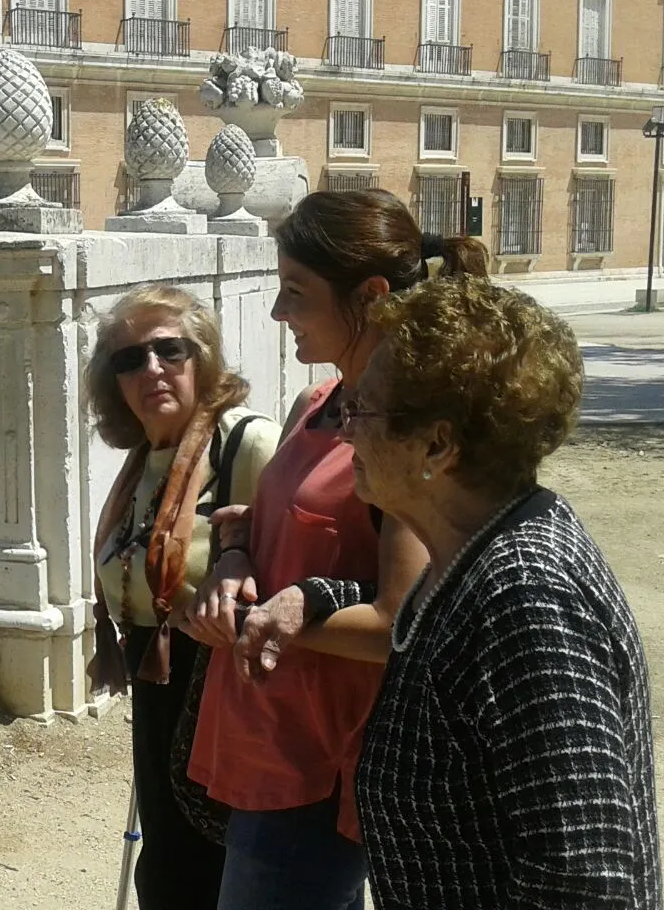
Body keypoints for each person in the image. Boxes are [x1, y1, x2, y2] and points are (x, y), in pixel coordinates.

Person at [183, 190, 486, 910]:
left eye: (297, 291)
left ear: (372, 295)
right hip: (265, 739)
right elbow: (264, 529)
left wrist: (277, 618)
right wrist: (234, 558)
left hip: (326, 764)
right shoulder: (316, 404)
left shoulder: (406, 431)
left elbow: (400, 625)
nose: (277, 312)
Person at [315, 275, 659, 909]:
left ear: (437, 446)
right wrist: (309, 599)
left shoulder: (526, 597)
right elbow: (426, 628)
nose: (344, 433)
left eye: (360, 410)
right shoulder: (473, 557)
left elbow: (587, 884)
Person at [86, 284, 281, 910]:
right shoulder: (145, 459)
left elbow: (286, 578)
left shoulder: (245, 446)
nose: (152, 370)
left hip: (224, 687)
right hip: (158, 678)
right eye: (129, 360)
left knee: (210, 862)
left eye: (170, 351)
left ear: (203, 359)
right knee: (169, 862)